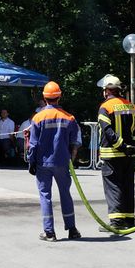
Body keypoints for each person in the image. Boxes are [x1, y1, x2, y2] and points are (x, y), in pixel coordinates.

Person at [27, 81, 81, 241]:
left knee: (45, 195)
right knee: (65, 194)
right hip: (62, 162)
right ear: (59, 96)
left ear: (44, 97)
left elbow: (33, 144)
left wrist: (31, 162)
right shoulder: (69, 117)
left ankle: (49, 232)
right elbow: (75, 141)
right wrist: (72, 156)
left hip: (43, 163)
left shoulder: (38, 118)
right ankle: (72, 229)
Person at [96, 74, 135, 230]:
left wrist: (122, 146)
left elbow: (107, 131)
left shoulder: (105, 107)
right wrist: (134, 146)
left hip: (112, 154)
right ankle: (129, 220)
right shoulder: (132, 107)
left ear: (107, 91)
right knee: (128, 186)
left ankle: (116, 222)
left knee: (113, 187)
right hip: (129, 156)